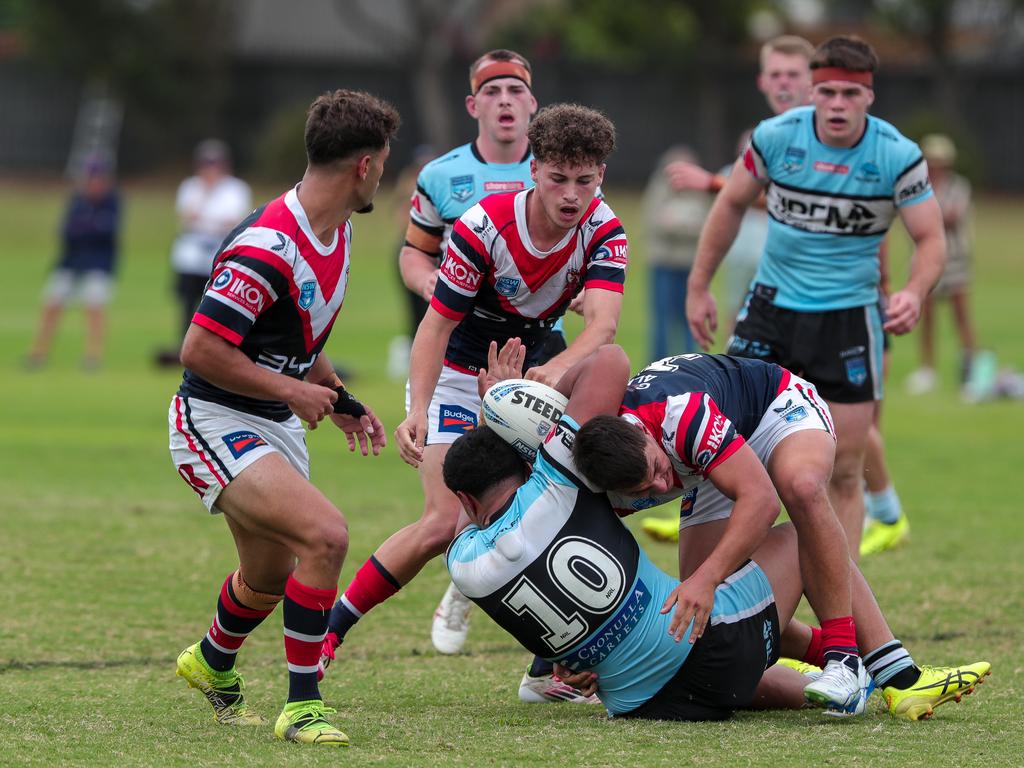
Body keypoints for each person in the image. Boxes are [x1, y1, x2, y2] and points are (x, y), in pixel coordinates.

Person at [443, 343, 989, 721]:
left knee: (798, 492)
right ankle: (858, 666)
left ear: (650, 443)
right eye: (648, 489)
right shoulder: (598, 477)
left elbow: (760, 499)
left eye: (657, 471)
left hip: (771, 411)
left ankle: (856, 660)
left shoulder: (678, 416)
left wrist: (706, 576)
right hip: (700, 464)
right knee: (702, 621)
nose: (659, 486)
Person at [320, 102, 627, 703]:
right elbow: (434, 328)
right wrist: (418, 410)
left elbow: (602, 328)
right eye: (558, 178)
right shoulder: (485, 225)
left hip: (540, 369)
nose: (570, 195)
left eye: (584, 181)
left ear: (601, 177)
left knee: (576, 501)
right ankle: (327, 637)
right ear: (534, 170)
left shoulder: (604, 229)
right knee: (443, 523)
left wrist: (544, 378)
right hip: (459, 373)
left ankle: (547, 673)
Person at [168, 89, 399, 747]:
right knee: (325, 537)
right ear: (362, 165)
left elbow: (300, 336)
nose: (383, 173)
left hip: (271, 417)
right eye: (382, 161)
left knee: (268, 575)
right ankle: (302, 707)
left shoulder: (338, 229)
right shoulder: (267, 247)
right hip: (211, 418)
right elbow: (200, 349)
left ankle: (210, 661)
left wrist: (340, 396)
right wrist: (293, 393)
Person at [685, 35, 945, 565]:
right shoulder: (776, 137)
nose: (837, 105)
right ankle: (725, 600)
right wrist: (698, 285)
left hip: (848, 321)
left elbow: (931, 238)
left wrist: (916, 292)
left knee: (844, 471)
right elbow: (731, 203)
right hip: (771, 312)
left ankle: (840, 625)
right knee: (724, 448)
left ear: (869, 98)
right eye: (826, 92)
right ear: (813, 89)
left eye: (850, 95)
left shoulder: (896, 155)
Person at [641, 35, 815, 544]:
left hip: (824, 307)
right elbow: (744, 203)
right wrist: (700, 285)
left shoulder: (824, 136)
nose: (783, 84)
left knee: (837, 426)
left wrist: (717, 185)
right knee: (734, 401)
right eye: (775, 75)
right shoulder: (767, 136)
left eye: (793, 75)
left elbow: (784, 203)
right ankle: (706, 514)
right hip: (770, 299)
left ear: (813, 80)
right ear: (762, 81)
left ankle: (878, 509)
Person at [157, 139, 252, 366]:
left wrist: (206, 220)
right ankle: (186, 346)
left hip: (219, 257)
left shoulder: (236, 189)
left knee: (217, 303)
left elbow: (233, 221)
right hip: (190, 256)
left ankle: (220, 349)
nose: (210, 170)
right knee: (188, 304)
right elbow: (188, 217)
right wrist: (209, 209)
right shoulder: (190, 187)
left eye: (215, 164)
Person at [905, 133, 982, 399]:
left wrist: (924, 218)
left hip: (956, 260)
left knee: (961, 317)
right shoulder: (920, 185)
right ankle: (927, 370)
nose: (936, 165)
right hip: (925, 259)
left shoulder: (959, 186)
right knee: (927, 318)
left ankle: (971, 371)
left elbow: (951, 216)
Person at [26, 155, 120, 371]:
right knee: (52, 303)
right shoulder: (77, 200)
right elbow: (67, 231)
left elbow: (106, 232)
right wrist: (88, 228)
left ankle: (93, 356)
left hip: (98, 262)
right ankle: (39, 352)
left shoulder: (112, 201)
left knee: (94, 306)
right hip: (70, 261)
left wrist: (86, 228)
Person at [643, 146, 708, 360]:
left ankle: (691, 364)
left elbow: (705, 225)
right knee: (661, 319)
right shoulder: (659, 188)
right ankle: (656, 363)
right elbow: (656, 221)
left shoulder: (699, 193)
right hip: (663, 264)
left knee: (690, 318)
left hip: (689, 266)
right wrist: (685, 223)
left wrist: (676, 222)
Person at [387, 143, 437, 380]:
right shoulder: (410, 185)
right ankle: (415, 358)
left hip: (433, 253)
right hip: (412, 250)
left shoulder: (437, 184)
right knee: (415, 311)